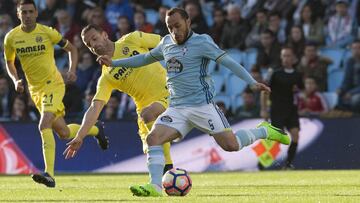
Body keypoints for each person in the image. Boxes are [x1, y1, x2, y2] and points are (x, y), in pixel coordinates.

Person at [95, 7, 290, 197]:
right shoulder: (166, 43)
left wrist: (252, 82)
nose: (174, 31)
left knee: (232, 145)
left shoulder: (202, 42)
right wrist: (115, 63)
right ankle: (155, 186)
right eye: (170, 27)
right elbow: (144, 59)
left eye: (177, 26)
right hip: (177, 108)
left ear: (188, 22)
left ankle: (264, 130)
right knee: (153, 138)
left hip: (202, 107)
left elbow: (228, 62)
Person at [3, 0, 108, 188]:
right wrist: (15, 79)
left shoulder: (47, 32)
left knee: (44, 124)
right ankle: (96, 130)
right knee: (64, 133)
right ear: (18, 15)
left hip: (54, 84)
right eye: (23, 12)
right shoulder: (11, 37)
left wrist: (72, 70)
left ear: (36, 13)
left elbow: (72, 48)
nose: (27, 15)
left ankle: (49, 174)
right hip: (35, 91)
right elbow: (10, 62)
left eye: (30, 11)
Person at [63, 24, 174, 173]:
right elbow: (95, 107)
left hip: (170, 93)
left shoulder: (132, 40)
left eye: (95, 39)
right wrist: (80, 136)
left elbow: (165, 42)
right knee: (151, 152)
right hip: (144, 109)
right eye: (88, 44)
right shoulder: (106, 77)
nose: (93, 45)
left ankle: (169, 170)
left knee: (152, 122)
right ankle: (161, 183)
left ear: (105, 35)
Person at [261, 47, 304, 170]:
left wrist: (299, 94)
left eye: (288, 56)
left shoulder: (297, 75)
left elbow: (301, 90)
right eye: (284, 56)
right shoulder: (275, 73)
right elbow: (264, 91)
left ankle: (288, 164)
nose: (286, 58)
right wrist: (264, 109)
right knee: (275, 139)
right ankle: (261, 162)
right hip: (277, 109)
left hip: (291, 110)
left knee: (295, 135)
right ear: (281, 57)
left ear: (293, 58)